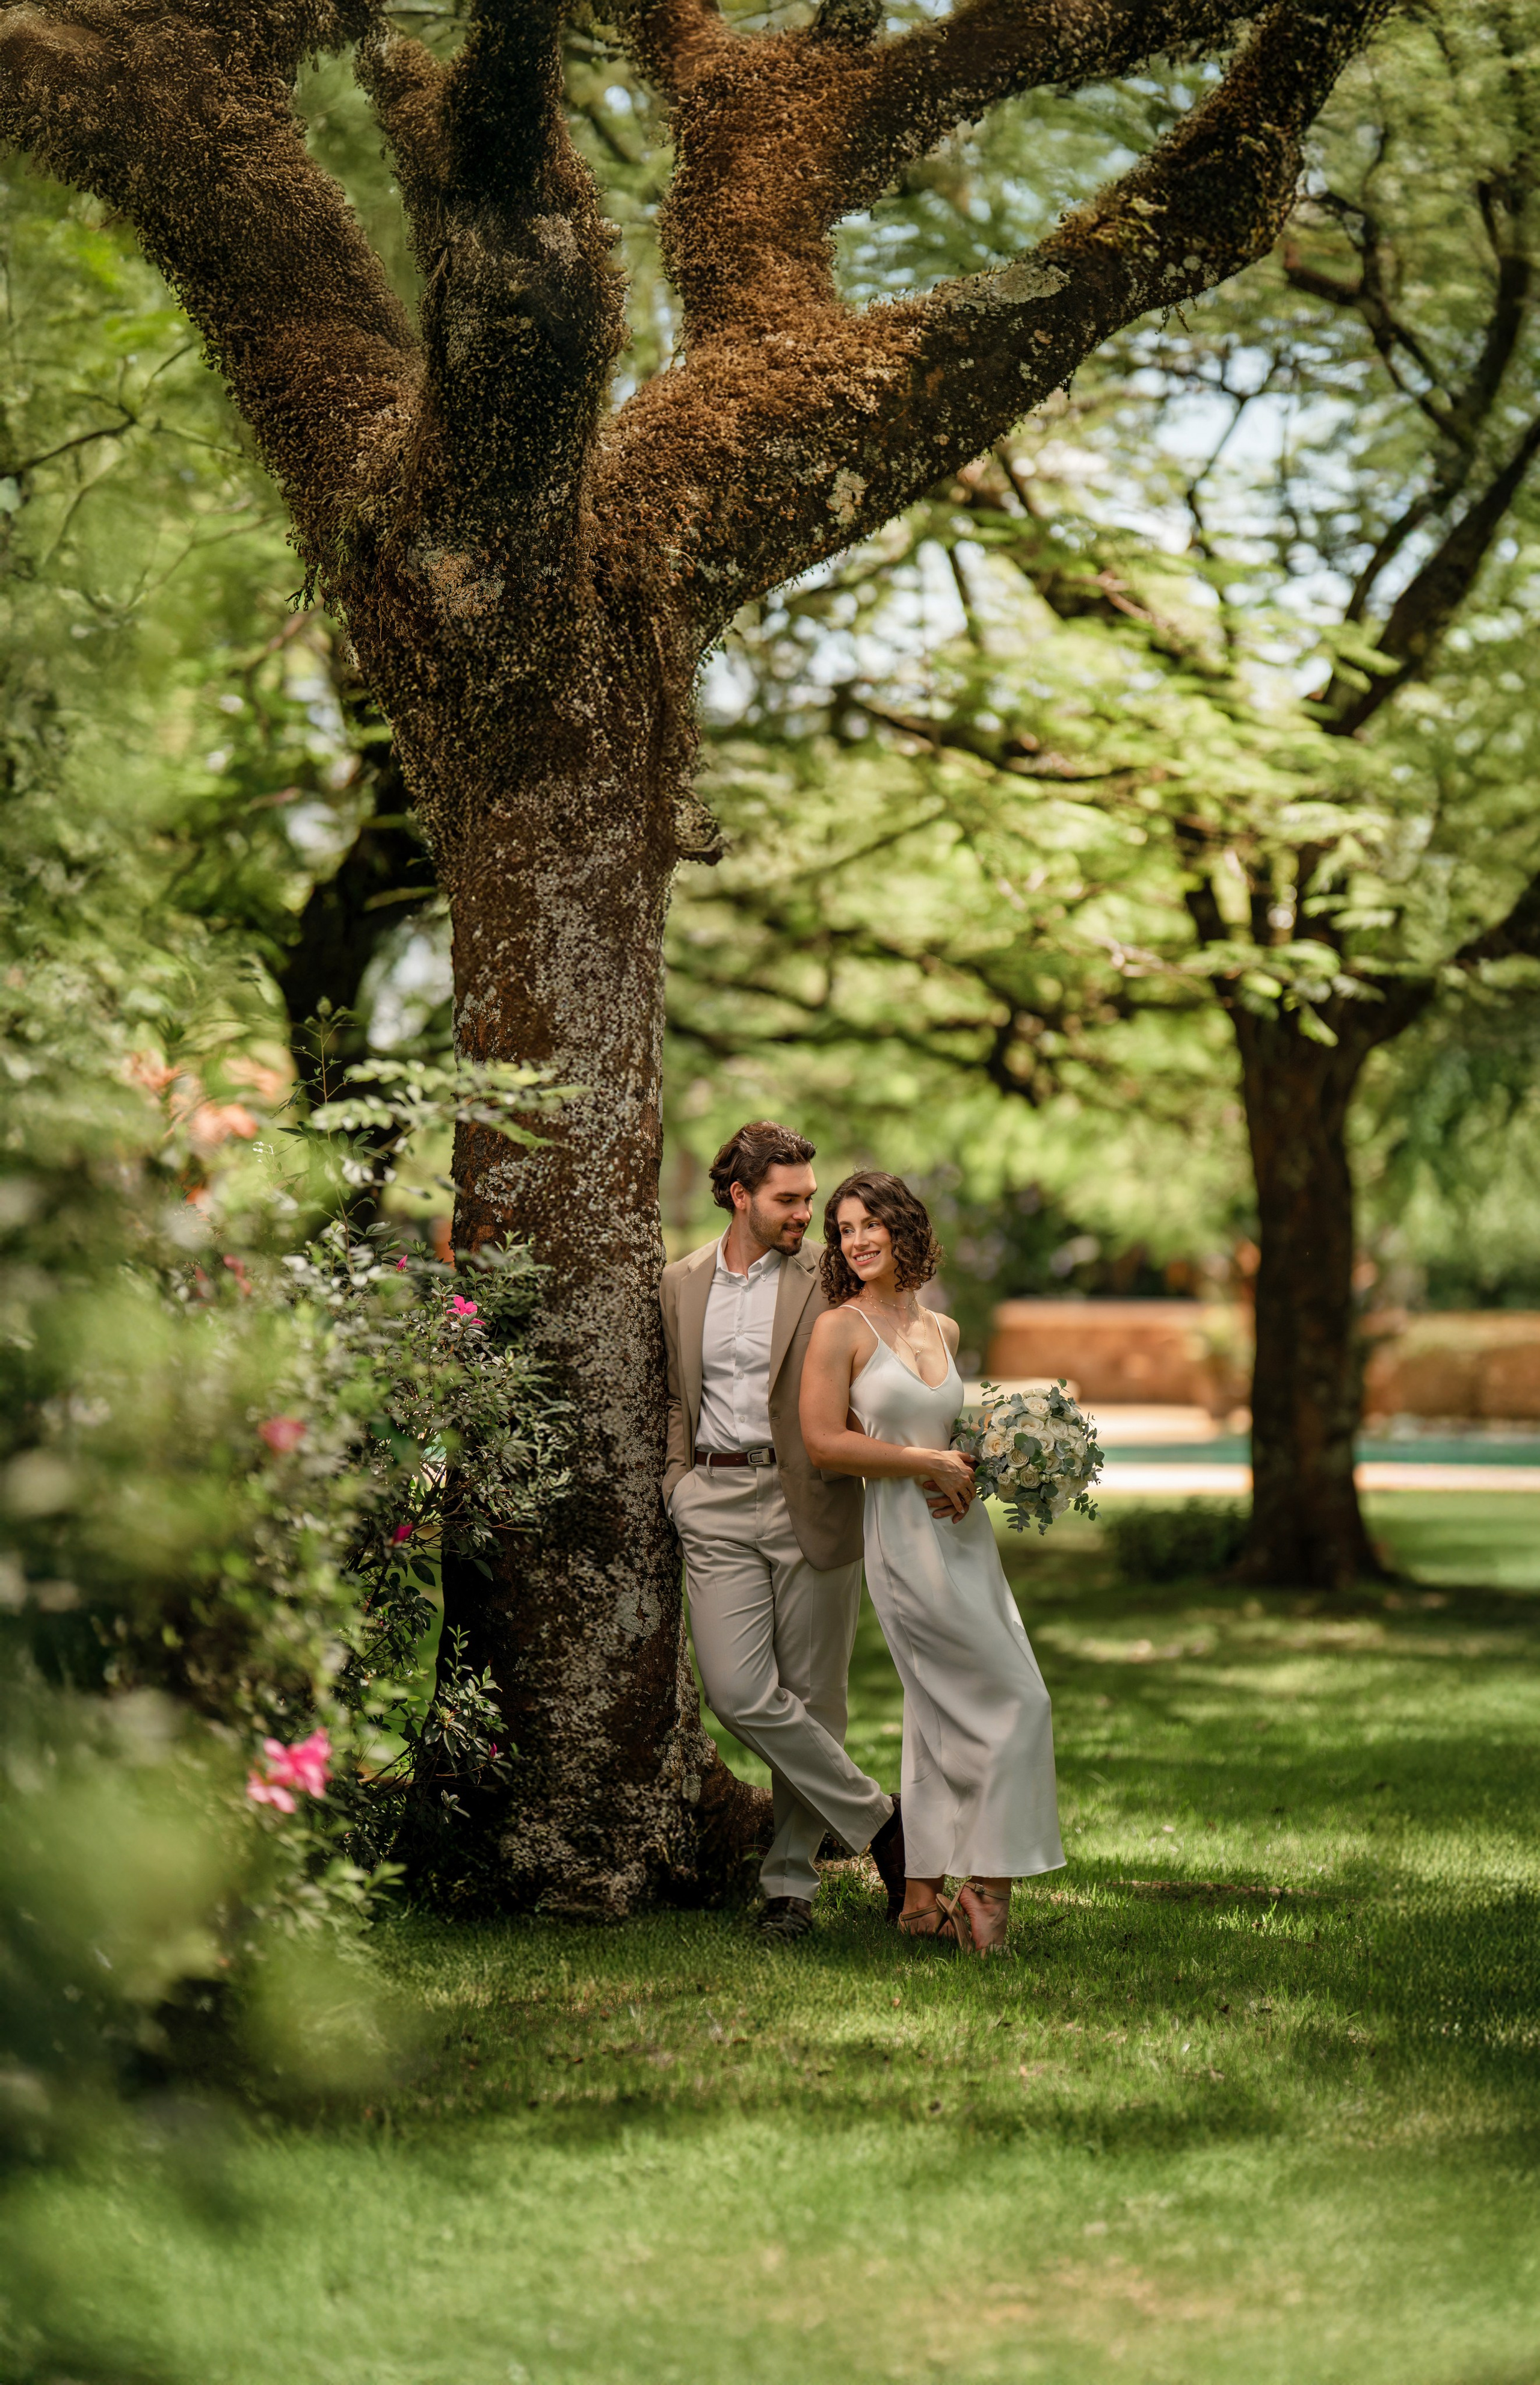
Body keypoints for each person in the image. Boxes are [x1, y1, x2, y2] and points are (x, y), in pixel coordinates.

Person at [799, 1171, 1064, 1954]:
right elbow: (824, 1442)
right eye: (843, 1230)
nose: (857, 1241)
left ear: (904, 1227)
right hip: (901, 1541)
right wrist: (924, 1462)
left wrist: (971, 1473)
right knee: (1021, 1703)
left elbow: (956, 1441)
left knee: (938, 1715)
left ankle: (920, 1900)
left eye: (869, 1224)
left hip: (964, 1536)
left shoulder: (942, 1330)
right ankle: (989, 1889)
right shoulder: (839, 1330)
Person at [660, 1122, 907, 1940]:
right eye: (789, 1199)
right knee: (736, 1692)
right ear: (739, 1196)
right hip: (714, 1498)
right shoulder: (680, 1281)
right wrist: (676, 1483)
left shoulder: (830, 1280)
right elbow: (674, 1393)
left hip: (815, 1496)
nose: (809, 1212)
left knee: (813, 1700)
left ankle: (789, 1890)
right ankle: (885, 1826)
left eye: (810, 1196)